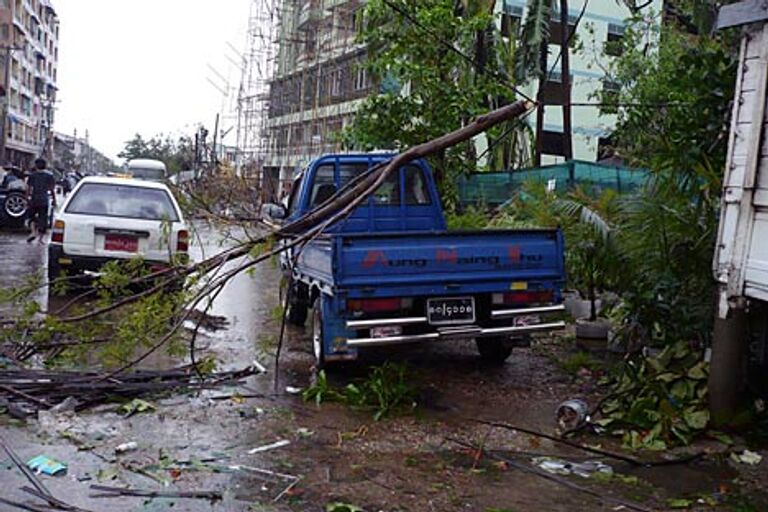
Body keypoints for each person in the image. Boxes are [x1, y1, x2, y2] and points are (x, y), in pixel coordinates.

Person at [26, 158, 56, 244]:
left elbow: (28, 188)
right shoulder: (49, 176)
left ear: (36, 165)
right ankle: (40, 239)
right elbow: (52, 189)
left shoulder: (32, 175)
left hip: (34, 199)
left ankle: (33, 232)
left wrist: (27, 198)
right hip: (44, 200)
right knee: (43, 218)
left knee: (31, 216)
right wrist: (54, 199)